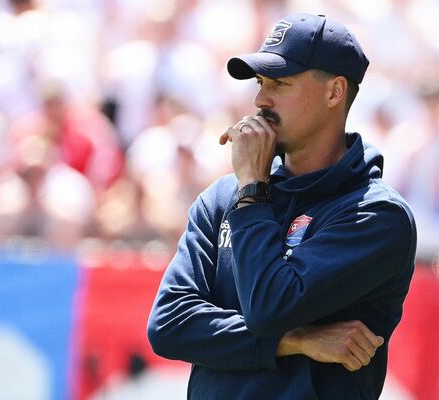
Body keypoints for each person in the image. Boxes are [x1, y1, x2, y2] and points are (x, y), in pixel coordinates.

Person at [147, 13, 417, 399]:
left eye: (280, 83)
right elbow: (169, 325)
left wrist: (253, 191)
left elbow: (269, 307)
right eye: (260, 82)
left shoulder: (376, 215)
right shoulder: (223, 197)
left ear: (334, 92)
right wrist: (295, 341)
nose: (260, 100)